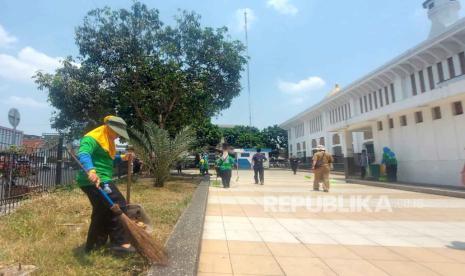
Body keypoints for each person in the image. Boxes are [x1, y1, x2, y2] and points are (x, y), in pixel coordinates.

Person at [77, 115, 135, 253]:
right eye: (117, 133)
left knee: (102, 211)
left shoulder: (107, 139)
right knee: (118, 205)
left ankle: (95, 245)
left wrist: (122, 157)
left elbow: (107, 158)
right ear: (109, 127)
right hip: (95, 180)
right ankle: (119, 243)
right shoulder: (92, 137)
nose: (117, 137)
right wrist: (91, 170)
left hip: (100, 179)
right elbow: (84, 154)